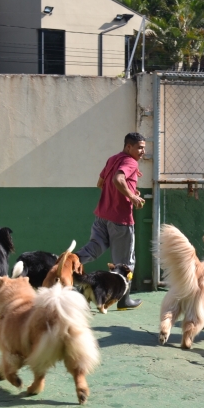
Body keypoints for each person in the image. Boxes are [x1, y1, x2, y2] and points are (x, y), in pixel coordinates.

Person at [77, 132, 146, 310]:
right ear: (128, 147)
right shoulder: (131, 162)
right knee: (125, 262)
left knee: (93, 248)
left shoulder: (112, 159)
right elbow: (118, 179)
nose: (142, 151)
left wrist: (130, 191)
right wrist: (132, 197)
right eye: (139, 147)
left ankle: (69, 265)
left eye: (144, 148)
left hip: (102, 215)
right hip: (120, 220)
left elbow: (101, 183)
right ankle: (123, 300)